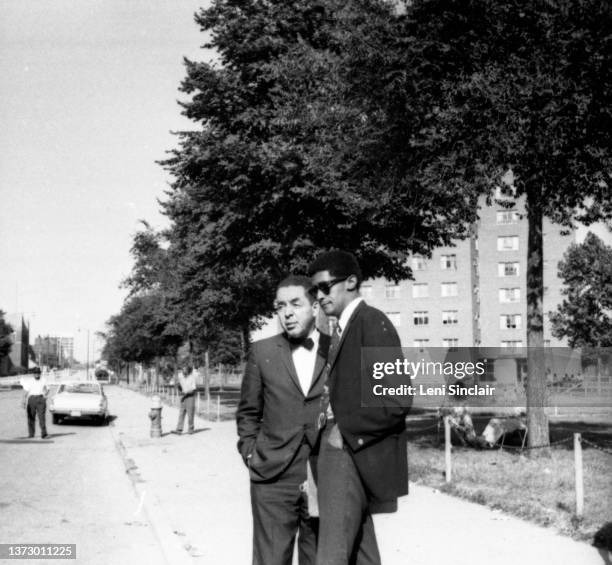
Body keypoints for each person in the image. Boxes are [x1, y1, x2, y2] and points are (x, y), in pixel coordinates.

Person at [308, 250, 410, 565]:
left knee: (332, 555)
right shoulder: (342, 328)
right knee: (362, 554)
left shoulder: (371, 322)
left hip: (349, 452)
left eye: (325, 287)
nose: (320, 296)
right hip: (339, 452)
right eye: (315, 291)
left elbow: (396, 399)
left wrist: (345, 429)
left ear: (351, 282)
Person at [237, 275, 331, 565]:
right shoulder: (262, 351)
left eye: (295, 304)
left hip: (324, 473)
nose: (287, 312)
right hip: (273, 476)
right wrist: (251, 452)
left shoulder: (337, 348)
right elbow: (248, 412)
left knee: (319, 559)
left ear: (315, 307)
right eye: (280, 306)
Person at [21, 369, 49, 439]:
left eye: (38, 373)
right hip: (32, 399)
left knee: (41, 417)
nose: (37, 374)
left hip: (41, 399)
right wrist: (23, 400)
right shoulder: (30, 381)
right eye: (35, 373)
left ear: (40, 374)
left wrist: (45, 394)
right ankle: (31, 434)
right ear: (33, 374)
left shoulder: (44, 380)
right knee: (31, 417)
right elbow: (26, 391)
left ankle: (44, 433)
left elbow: (46, 389)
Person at [174, 366, 197, 434]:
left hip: (190, 397)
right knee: (181, 413)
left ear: (188, 371)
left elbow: (194, 390)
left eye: (184, 370)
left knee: (190, 414)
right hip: (184, 397)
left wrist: (186, 392)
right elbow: (181, 388)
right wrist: (178, 385)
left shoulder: (192, 378)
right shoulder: (181, 378)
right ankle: (179, 429)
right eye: (182, 370)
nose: (183, 371)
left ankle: (191, 429)